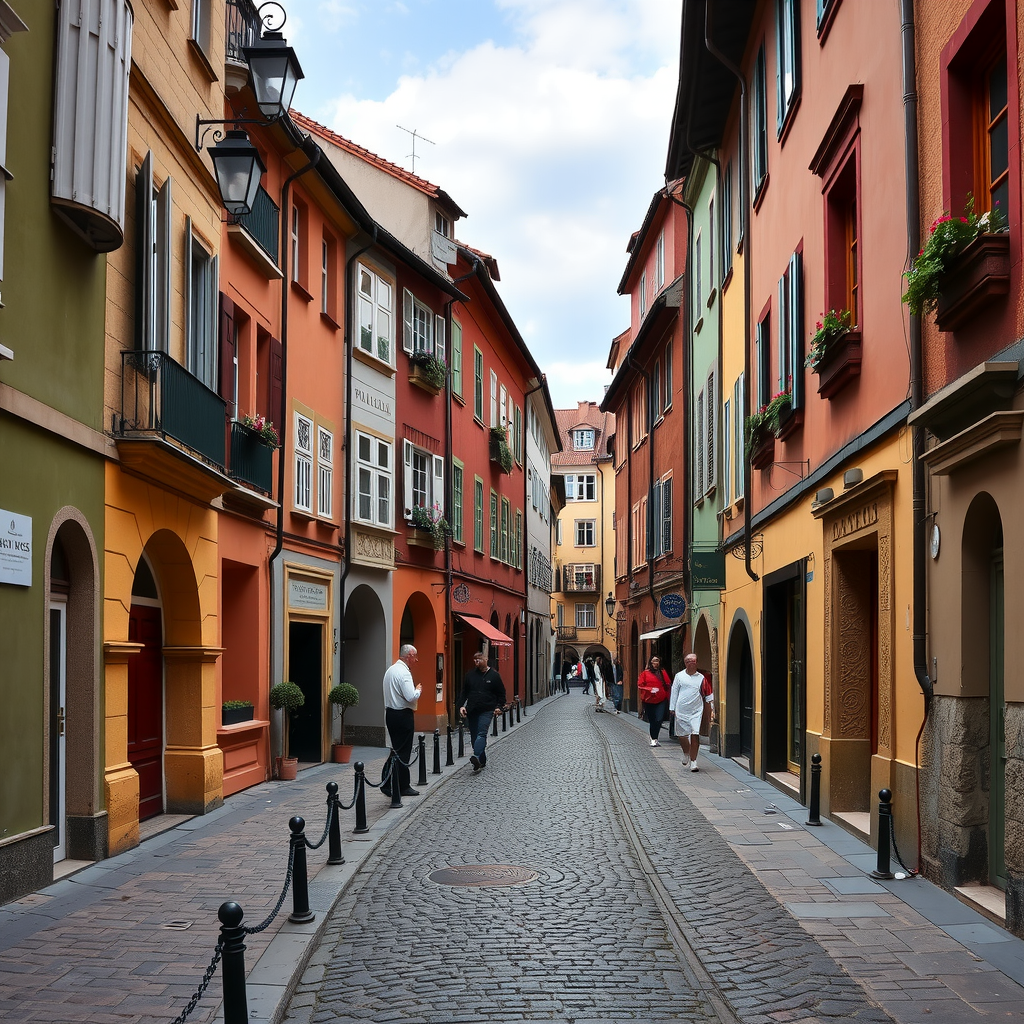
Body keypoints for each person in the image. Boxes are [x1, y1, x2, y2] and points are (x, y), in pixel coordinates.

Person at [381, 644, 422, 797]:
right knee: (403, 752)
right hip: (402, 715)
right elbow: (410, 696)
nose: (416, 660)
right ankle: (401, 786)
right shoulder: (404, 673)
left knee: (396, 749)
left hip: (391, 713)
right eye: (415, 656)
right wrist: (418, 689)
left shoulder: (390, 670)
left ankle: (387, 782)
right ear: (408, 656)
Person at [459, 650, 507, 773]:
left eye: (479, 659)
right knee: (475, 736)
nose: (476, 661)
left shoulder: (494, 676)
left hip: (487, 710)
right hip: (472, 709)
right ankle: (481, 760)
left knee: (482, 733)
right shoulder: (470, 675)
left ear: (486, 659)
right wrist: (461, 706)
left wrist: (498, 707)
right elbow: (465, 692)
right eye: (475, 659)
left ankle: (475, 756)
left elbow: (501, 694)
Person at [670, 653, 715, 771]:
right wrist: (672, 707)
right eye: (689, 661)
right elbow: (674, 691)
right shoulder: (679, 676)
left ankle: (694, 761)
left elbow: (709, 695)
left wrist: (712, 709)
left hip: (696, 711)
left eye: (693, 661)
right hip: (681, 710)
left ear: (697, 663)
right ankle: (686, 753)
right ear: (685, 663)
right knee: (682, 735)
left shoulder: (702, 678)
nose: (691, 663)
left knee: (695, 734)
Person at [636, 654, 672, 746]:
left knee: (659, 719)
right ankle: (653, 738)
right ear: (651, 662)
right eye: (654, 660)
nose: (656, 663)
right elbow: (640, 685)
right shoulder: (645, 673)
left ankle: (655, 737)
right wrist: (650, 689)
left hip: (661, 699)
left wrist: (669, 698)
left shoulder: (663, 672)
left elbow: (668, 684)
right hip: (649, 700)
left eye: (657, 661)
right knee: (652, 720)